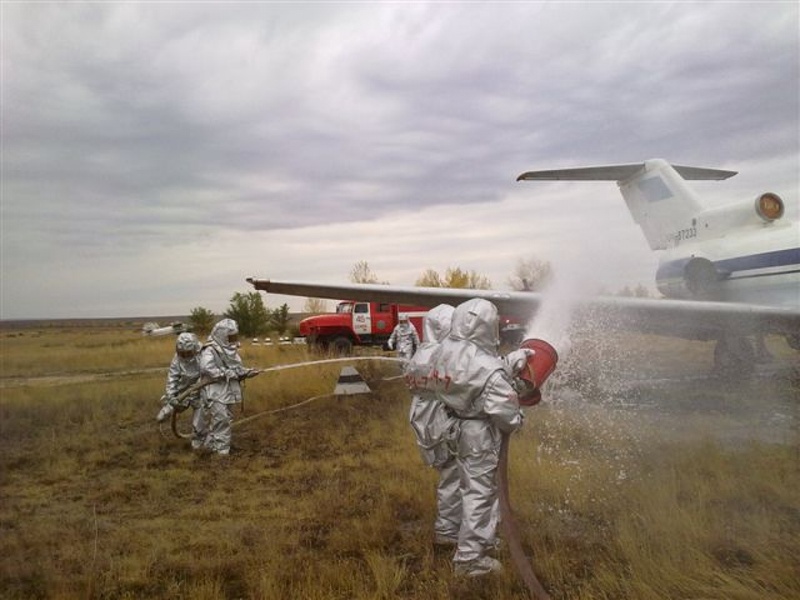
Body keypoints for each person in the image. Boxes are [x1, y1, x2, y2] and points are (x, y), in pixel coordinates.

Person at [423, 298, 525, 577]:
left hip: (452, 425)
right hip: (478, 435)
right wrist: (518, 414)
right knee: (480, 493)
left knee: (460, 484)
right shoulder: (488, 369)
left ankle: (466, 536)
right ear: (488, 327)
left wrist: (507, 366)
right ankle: (470, 560)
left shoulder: (443, 352)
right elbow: (507, 415)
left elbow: (473, 374)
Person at [403, 304, 460, 547]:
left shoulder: (421, 354)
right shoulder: (443, 355)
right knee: (455, 476)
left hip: (426, 422)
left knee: (452, 475)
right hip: (442, 423)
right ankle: (448, 530)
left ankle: (455, 527)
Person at [198, 318, 259, 455]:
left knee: (226, 418)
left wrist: (247, 372)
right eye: (230, 337)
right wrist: (225, 373)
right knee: (221, 418)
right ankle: (222, 452)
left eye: (234, 337)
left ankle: (211, 446)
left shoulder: (232, 351)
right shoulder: (210, 350)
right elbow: (206, 368)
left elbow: (237, 369)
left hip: (229, 390)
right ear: (222, 335)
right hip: (215, 390)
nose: (233, 340)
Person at [157, 332, 207, 450]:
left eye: (187, 353)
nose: (185, 356)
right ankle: (169, 407)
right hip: (183, 388)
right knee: (175, 405)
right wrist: (171, 396)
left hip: (200, 388)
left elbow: (207, 373)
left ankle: (198, 437)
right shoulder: (177, 359)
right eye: (182, 353)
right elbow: (172, 377)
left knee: (200, 407)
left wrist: (197, 387)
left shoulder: (204, 355)